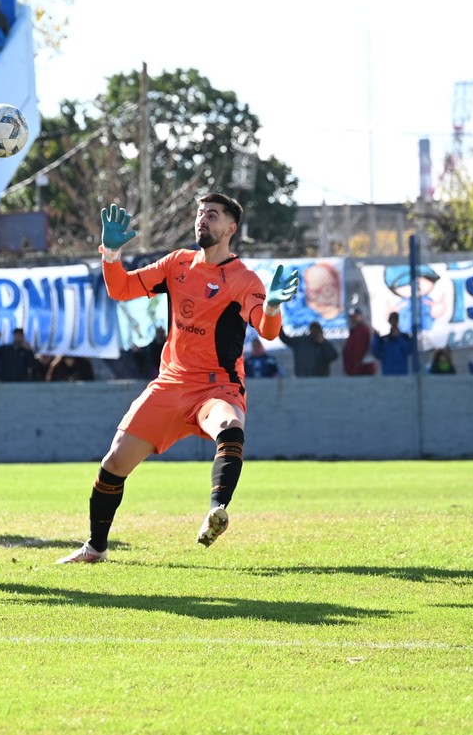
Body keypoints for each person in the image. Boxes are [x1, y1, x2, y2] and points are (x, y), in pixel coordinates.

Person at [58, 195, 300, 564]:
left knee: (230, 425)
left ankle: (217, 510)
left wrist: (271, 307)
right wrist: (110, 253)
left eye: (213, 216)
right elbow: (120, 289)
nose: (203, 220)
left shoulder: (243, 279)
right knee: (114, 464)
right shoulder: (177, 263)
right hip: (170, 384)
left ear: (231, 229)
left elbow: (266, 331)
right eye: (201, 214)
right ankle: (96, 548)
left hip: (216, 386)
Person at [375, 312, 415, 376]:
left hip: (402, 374)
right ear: (389, 321)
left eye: (396, 319)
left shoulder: (405, 338)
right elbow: (376, 353)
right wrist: (376, 338)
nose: (394, 322)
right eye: (392, 319)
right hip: (388, 375)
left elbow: (411, 350)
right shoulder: (384, 339)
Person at [341, 307, 376, 375]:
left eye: (355, 316)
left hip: (364, 369)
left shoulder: (364, 330)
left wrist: (357, 364)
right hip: (354, 369)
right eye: (351, 317)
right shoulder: (353, 332)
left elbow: (361, 349)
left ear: (361, 316)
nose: (353, 319)